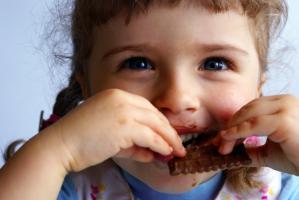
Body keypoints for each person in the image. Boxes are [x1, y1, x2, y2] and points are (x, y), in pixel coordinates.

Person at [1, 0, 299, 199]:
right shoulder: (63, 184)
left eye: (215, 64)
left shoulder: (283, 186)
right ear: (87, 87)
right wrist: (58, 151)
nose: (178, 98)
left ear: (259, 86)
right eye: (138, 64)